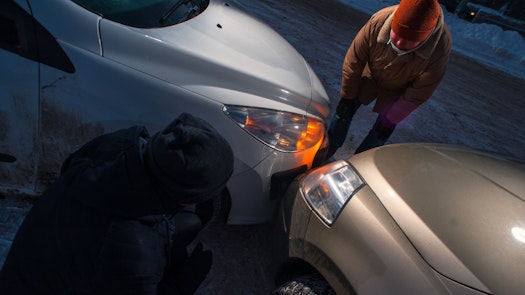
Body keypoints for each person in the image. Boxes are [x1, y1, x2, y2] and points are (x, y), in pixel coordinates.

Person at [0, 112, 234, 295]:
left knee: (186, 224)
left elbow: (68, 168)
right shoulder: (130, 252)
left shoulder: (119, 145)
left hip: (35, 261)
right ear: (184, 195)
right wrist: (181, 285)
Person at [326, 0, 452, 157]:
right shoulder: (379, 20)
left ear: (424, 39)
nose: (399, 42)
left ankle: (360, 163)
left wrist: (392, 119)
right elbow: (354, 61)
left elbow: (418, 94)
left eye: (409, 40)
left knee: (381, 131)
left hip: (400, 91)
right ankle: (326, 150)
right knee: (343, 113)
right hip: (369, 76)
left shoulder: (439, 48)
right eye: (397, 34)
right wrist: (347, 97)